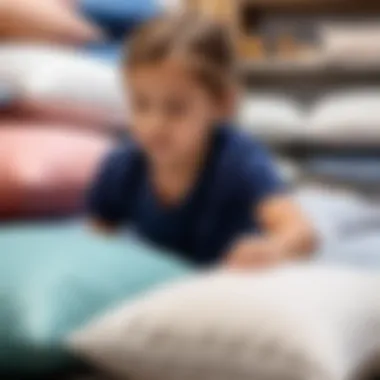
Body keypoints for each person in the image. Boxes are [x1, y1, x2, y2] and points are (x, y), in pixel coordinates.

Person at [88, 12, 316, 269]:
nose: (155, 124)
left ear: (222, 104)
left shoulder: (238, 162)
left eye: (176, 108)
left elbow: (301, 233)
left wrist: (271, 250)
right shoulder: (122, 167)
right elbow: (94, 245)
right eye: (141, 105)